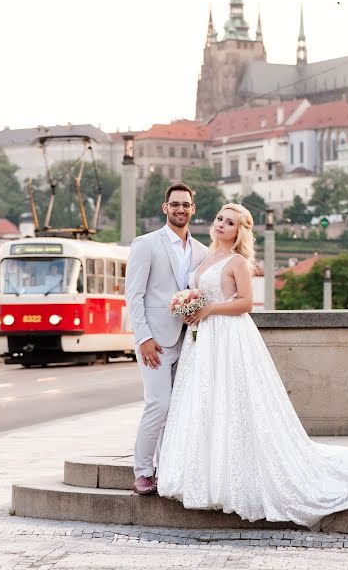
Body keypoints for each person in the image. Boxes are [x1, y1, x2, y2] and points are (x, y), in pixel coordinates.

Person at [157, 204, 348, 528]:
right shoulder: (206, 259)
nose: (221, 224)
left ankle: (233, 477)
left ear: (238, 231)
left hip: (228, 336)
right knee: (206, 402)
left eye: (229, 222)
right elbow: (203, 294)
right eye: (219, 218)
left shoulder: (237, 262)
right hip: (203, 340)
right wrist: (192, 308)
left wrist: (208, 310)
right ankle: (204, 474)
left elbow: (246, 303)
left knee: (234, 402)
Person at [124, 183, 210, 496]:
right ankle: (143, 472)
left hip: (188, 341)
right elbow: (133, 294)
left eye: (186, 205)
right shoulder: (145, 244)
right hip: (154, 342)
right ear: (165, 208)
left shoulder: (202, 252)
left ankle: (168, 469)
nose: (180, 210)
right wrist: (143, 336)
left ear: (193, 209)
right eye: (174, 204)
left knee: (178, 410)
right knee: (158, 405)